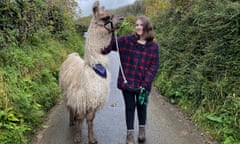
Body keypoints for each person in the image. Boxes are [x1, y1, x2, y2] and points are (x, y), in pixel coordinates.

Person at [102, 15, 160, 144]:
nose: (138, 27)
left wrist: (146, 83)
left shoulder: (153, 46)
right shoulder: (127, 41)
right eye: (137, 25)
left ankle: (142, 129)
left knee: (142, 106)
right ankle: (129, 134)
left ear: (147, 27)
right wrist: (110, 30)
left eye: (141, 25)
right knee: (129, 107)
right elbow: (109, 46)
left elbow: (154, 65)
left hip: (144, 85)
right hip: (128, 83)